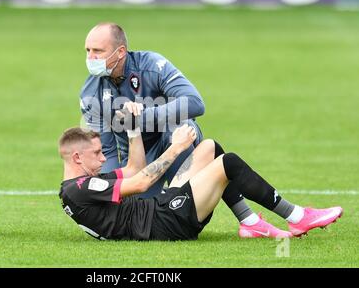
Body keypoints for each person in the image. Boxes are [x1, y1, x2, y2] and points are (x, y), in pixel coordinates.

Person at [79, 22, 288, 238]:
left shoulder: (152, 65)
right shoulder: (89, 94)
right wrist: (108, 193)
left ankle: (238, 217)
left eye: (98, 51)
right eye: (88, 50)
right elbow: (108, 151)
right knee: (139, 213)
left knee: (183, 127)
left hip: (173, 141)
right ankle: (249, 220)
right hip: (139, 161)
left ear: (120, 52)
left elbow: (195, 103)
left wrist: (143, 116)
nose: (91, 58)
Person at [58, 106, 343, 241]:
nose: (104, 157)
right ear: (77, 157)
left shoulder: (80, 185)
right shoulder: (78, 188)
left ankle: (250, 222)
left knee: (209, 147)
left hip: (160, 210)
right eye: (97, 153)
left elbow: (133, 169)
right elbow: (143, 181)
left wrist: (133, 128)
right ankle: (297, 217)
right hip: (163, 223)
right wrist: (176, 147)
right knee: (228, 162)